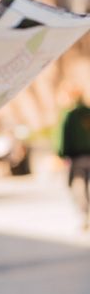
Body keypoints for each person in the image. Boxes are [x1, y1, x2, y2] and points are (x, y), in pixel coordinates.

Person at [58, 90, 90, 229]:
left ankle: (85, 214)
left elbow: (65, 136)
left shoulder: (71, 115)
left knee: (78, 185)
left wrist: (63, 153)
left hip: (77, 156)